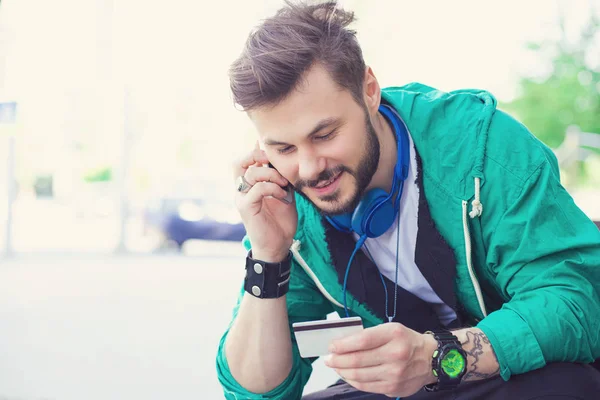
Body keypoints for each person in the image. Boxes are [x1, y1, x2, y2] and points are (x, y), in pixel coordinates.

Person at [216, 1, 600, 399]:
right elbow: (255, 390)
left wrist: (435, 357)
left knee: (565, 387)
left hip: (516, 377)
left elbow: (576, 303)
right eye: (283, 148)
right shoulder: (286, 208)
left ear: (369, 90)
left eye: (325, 134)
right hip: (405, 390)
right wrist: (268, 254)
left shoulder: (485, 150)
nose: (310, 168)